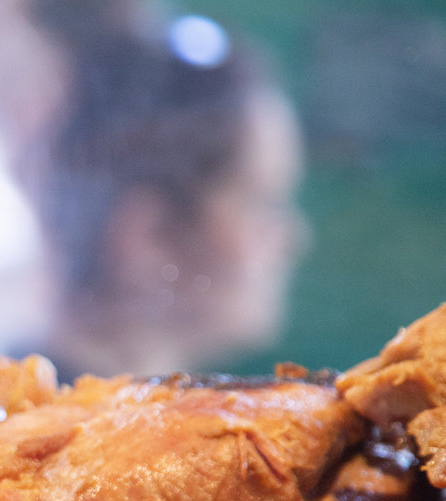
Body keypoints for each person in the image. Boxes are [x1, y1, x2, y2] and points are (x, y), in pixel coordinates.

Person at [22, 9, 308, 378]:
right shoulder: (38, 427)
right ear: (149, 233)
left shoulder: (16, 406)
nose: (293, 239)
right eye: (261, 204)